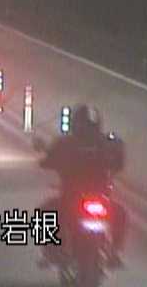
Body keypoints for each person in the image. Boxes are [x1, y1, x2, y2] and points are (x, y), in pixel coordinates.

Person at [37, 104, 126, 269]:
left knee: (45, 212)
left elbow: (47, 161)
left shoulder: (66, 142)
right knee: (120, 214)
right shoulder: (106, 143)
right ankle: (115, 253)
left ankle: (49, 252)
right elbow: (119, 163)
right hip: (100, 198)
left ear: (75, 123)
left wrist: (48, 160)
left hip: (72, 198)